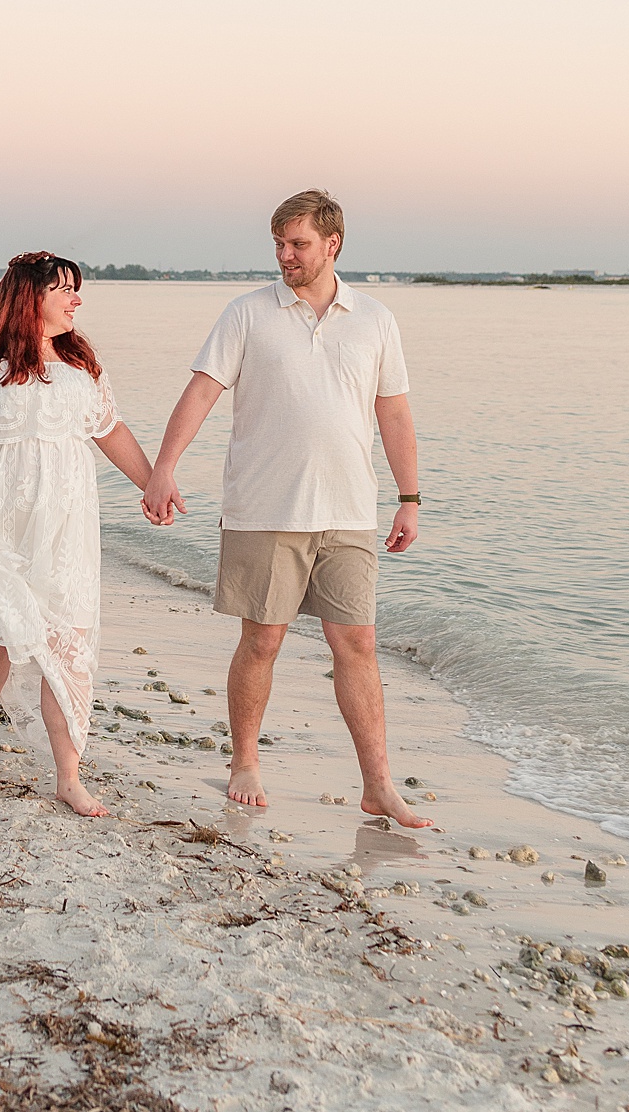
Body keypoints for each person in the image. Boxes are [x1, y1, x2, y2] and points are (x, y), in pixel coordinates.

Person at [141, 190, 430, 827]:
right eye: (279, 244)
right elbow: (202, 391)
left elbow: (394, 412)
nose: (285, 256)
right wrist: (164, 468)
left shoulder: (375, 318)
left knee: (357, 643)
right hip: (264, 508)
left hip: (349, 510)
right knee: (263, 640)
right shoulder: (248, 313)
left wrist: (409, 497)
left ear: (333, 245)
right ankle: (245, 760)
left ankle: (378, 784)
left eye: (297, 244)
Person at [0, 252, 157, 818]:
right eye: (66, 290)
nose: (77, 300)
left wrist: (153, 483)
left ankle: (68, 776)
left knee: (68, 648)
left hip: (68, 526)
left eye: (77, 290)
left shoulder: (79, 360)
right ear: (32, 296)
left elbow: (109, 429)